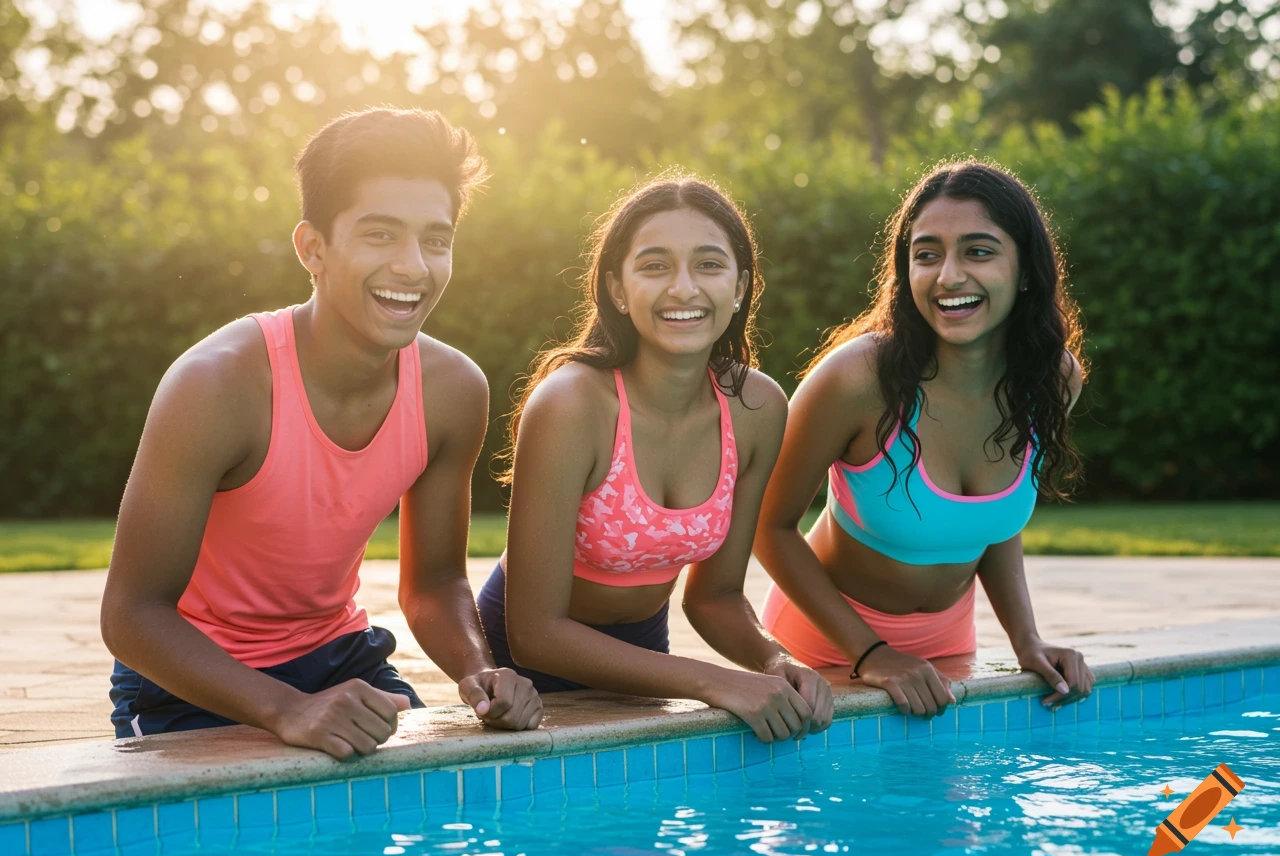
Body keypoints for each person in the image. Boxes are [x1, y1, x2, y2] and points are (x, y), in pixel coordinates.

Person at [101, 107, 542, 760]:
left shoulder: (453, 391)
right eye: (381, 235)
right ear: (312, 248)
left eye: (436, 240)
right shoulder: (217, 386)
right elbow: (133, 617)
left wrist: (476, 670)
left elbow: (434, 583)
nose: (414, 267)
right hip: (189, 680)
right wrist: (286, 710)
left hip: (338, 659)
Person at [479, 174, 833, 744]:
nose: (684, 288)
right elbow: (536, 632)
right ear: (618, 289)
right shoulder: (572, 406)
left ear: (740, 285)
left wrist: (773, 661)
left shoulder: (757, 407)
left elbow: (715, 596)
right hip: (526, 666)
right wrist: (714, 682)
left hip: (646, 652)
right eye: (655, 266)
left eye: (709, 265)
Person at [754, 160, 1095, 718]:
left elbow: (988, 520)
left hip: (946, 647)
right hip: (823, 645)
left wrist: (1027, 641)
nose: (948, 276)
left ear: (1026, 269)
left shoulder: (1051, 379)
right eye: (927, 254)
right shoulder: (858, 380)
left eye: (978, 252)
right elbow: (768, 525)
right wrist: (871, 653)